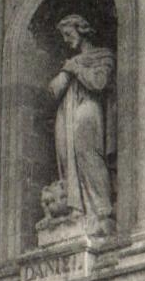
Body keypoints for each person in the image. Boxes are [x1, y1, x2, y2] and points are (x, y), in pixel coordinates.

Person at [49, 15, 116, 237]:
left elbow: (99, 83)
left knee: (89, 157)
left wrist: (75, 69)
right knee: (69, 161)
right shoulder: (69, 64)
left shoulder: (103, 56)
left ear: (82, 30)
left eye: (69, 34)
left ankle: (101, 211)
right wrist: (67, 71)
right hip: (66, 116)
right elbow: (53, 91)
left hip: (88, 112)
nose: (67, 40)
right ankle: (77, 211)